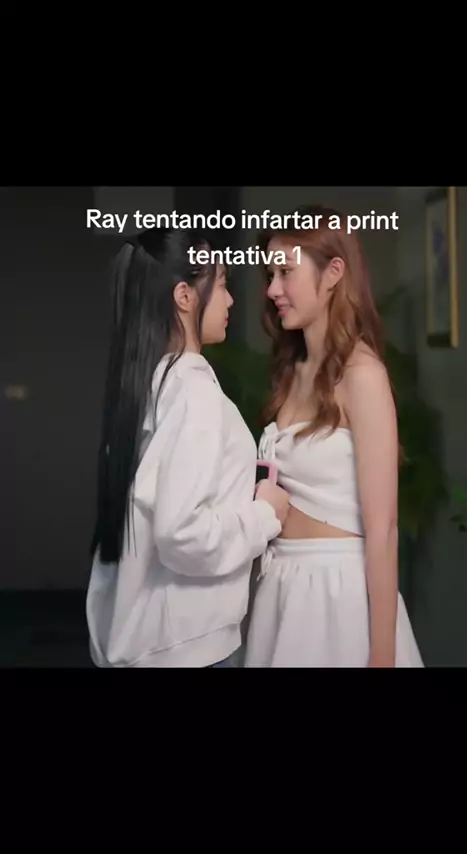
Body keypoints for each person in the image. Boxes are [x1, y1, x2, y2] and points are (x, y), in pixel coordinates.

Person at [86, 227, 289, 668]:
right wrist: (265, 514)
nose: (230, 300)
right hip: (186, 648)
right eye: (222, 284)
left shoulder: (149, 387)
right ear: (184, 296)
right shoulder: (193, 393)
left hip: (146, 642)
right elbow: (182, 534)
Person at [244, 205, 424, 667]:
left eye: (286, 272)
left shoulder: (363, 376)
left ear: (333, 273)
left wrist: (381, 656)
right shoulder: (292, 371)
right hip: (281, 586)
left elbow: (383, 529)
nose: (272, 289)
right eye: (270, 275)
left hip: (337, 593)